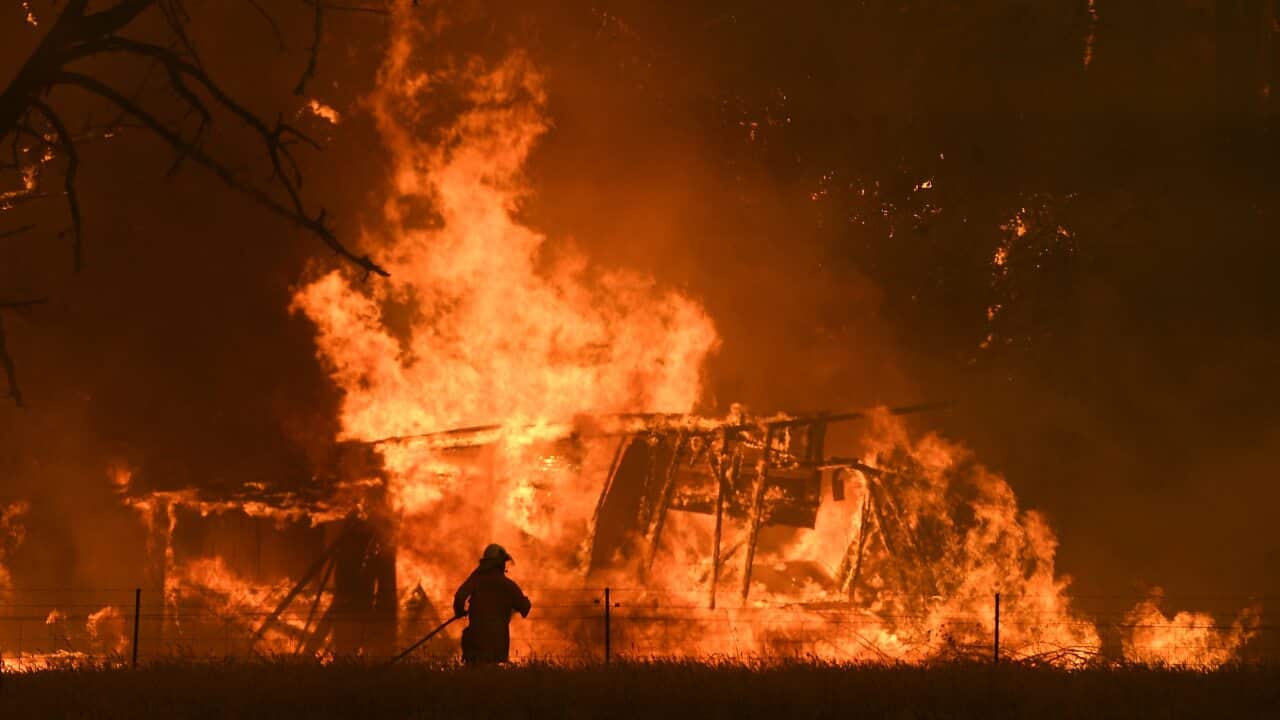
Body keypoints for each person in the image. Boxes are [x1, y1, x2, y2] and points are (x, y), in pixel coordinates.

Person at [452, 543, 531, 664]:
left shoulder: (476, 579)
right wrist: (524, 602)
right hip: (497, 642)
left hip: (475, 640)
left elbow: (459, 597)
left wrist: (459, 612)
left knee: (473, 677)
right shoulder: (507, 585)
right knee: (492, 677)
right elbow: (524, 607)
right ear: (499, 563)